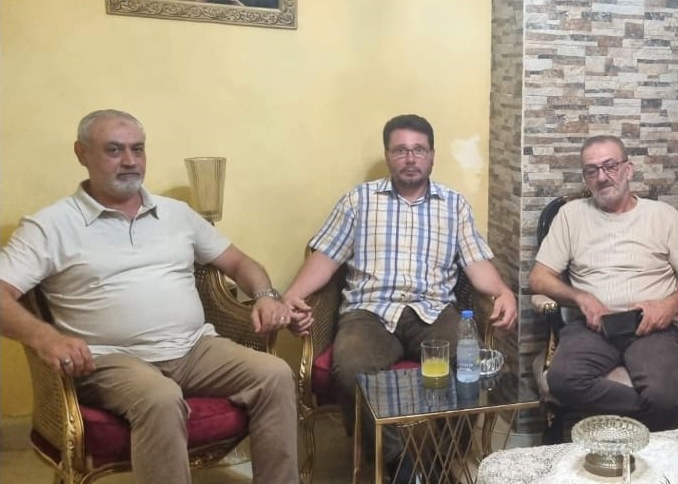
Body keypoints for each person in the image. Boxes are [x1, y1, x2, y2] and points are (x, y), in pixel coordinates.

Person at [0, 109, 298, 484]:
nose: (130, 161)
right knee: (160, 397)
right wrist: (45, 337)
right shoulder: (50, 225)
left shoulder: (177, 214)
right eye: (114, 150)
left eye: (137, 149)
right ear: (82, 153)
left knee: (275, 373)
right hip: (109, 360)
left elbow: (240, 263)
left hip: (194, 349)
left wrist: (266, 295)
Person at [282, 114, 518, 479]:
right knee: (351, 369)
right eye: (401, 150)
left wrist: (503, 292)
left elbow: (477, 264)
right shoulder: (359, 201)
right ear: (388, 155)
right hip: (369, 313)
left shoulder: (453, 205)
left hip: (434, 311)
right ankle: (398, 464)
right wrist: (292, 295)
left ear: (432, 156)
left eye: (419, 150)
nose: (410, 158)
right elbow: (325, 258)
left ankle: (441, 464)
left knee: (467, 364)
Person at [527, 135, 678, 432]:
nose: (602, 177)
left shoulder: (661, 215)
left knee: (662, 395)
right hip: (594, 326)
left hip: (650, 326)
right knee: (562, 380)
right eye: (591, 170)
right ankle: (655, 416)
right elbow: (538, 278)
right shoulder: (571, 215)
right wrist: (580, 298)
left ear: (629, 169)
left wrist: (668, 306)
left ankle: (652, 420)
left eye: (610, 166)